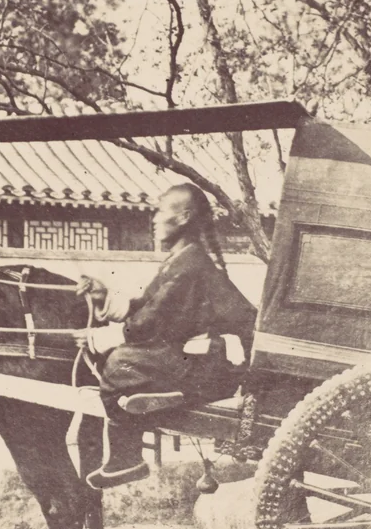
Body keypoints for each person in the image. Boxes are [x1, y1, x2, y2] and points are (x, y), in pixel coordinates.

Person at [75, 183, 257, 489]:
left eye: (161, 210)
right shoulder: (181, 259)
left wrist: (99, 338)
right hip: (193, 359)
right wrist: (104, 296)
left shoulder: (191, 263)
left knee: (120, 363)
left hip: (202, 366)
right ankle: (131, 445)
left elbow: (152, 320)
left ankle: (130, 455)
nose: (154, 218)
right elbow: (148, 304)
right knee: (120, 361)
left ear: (184, 216)